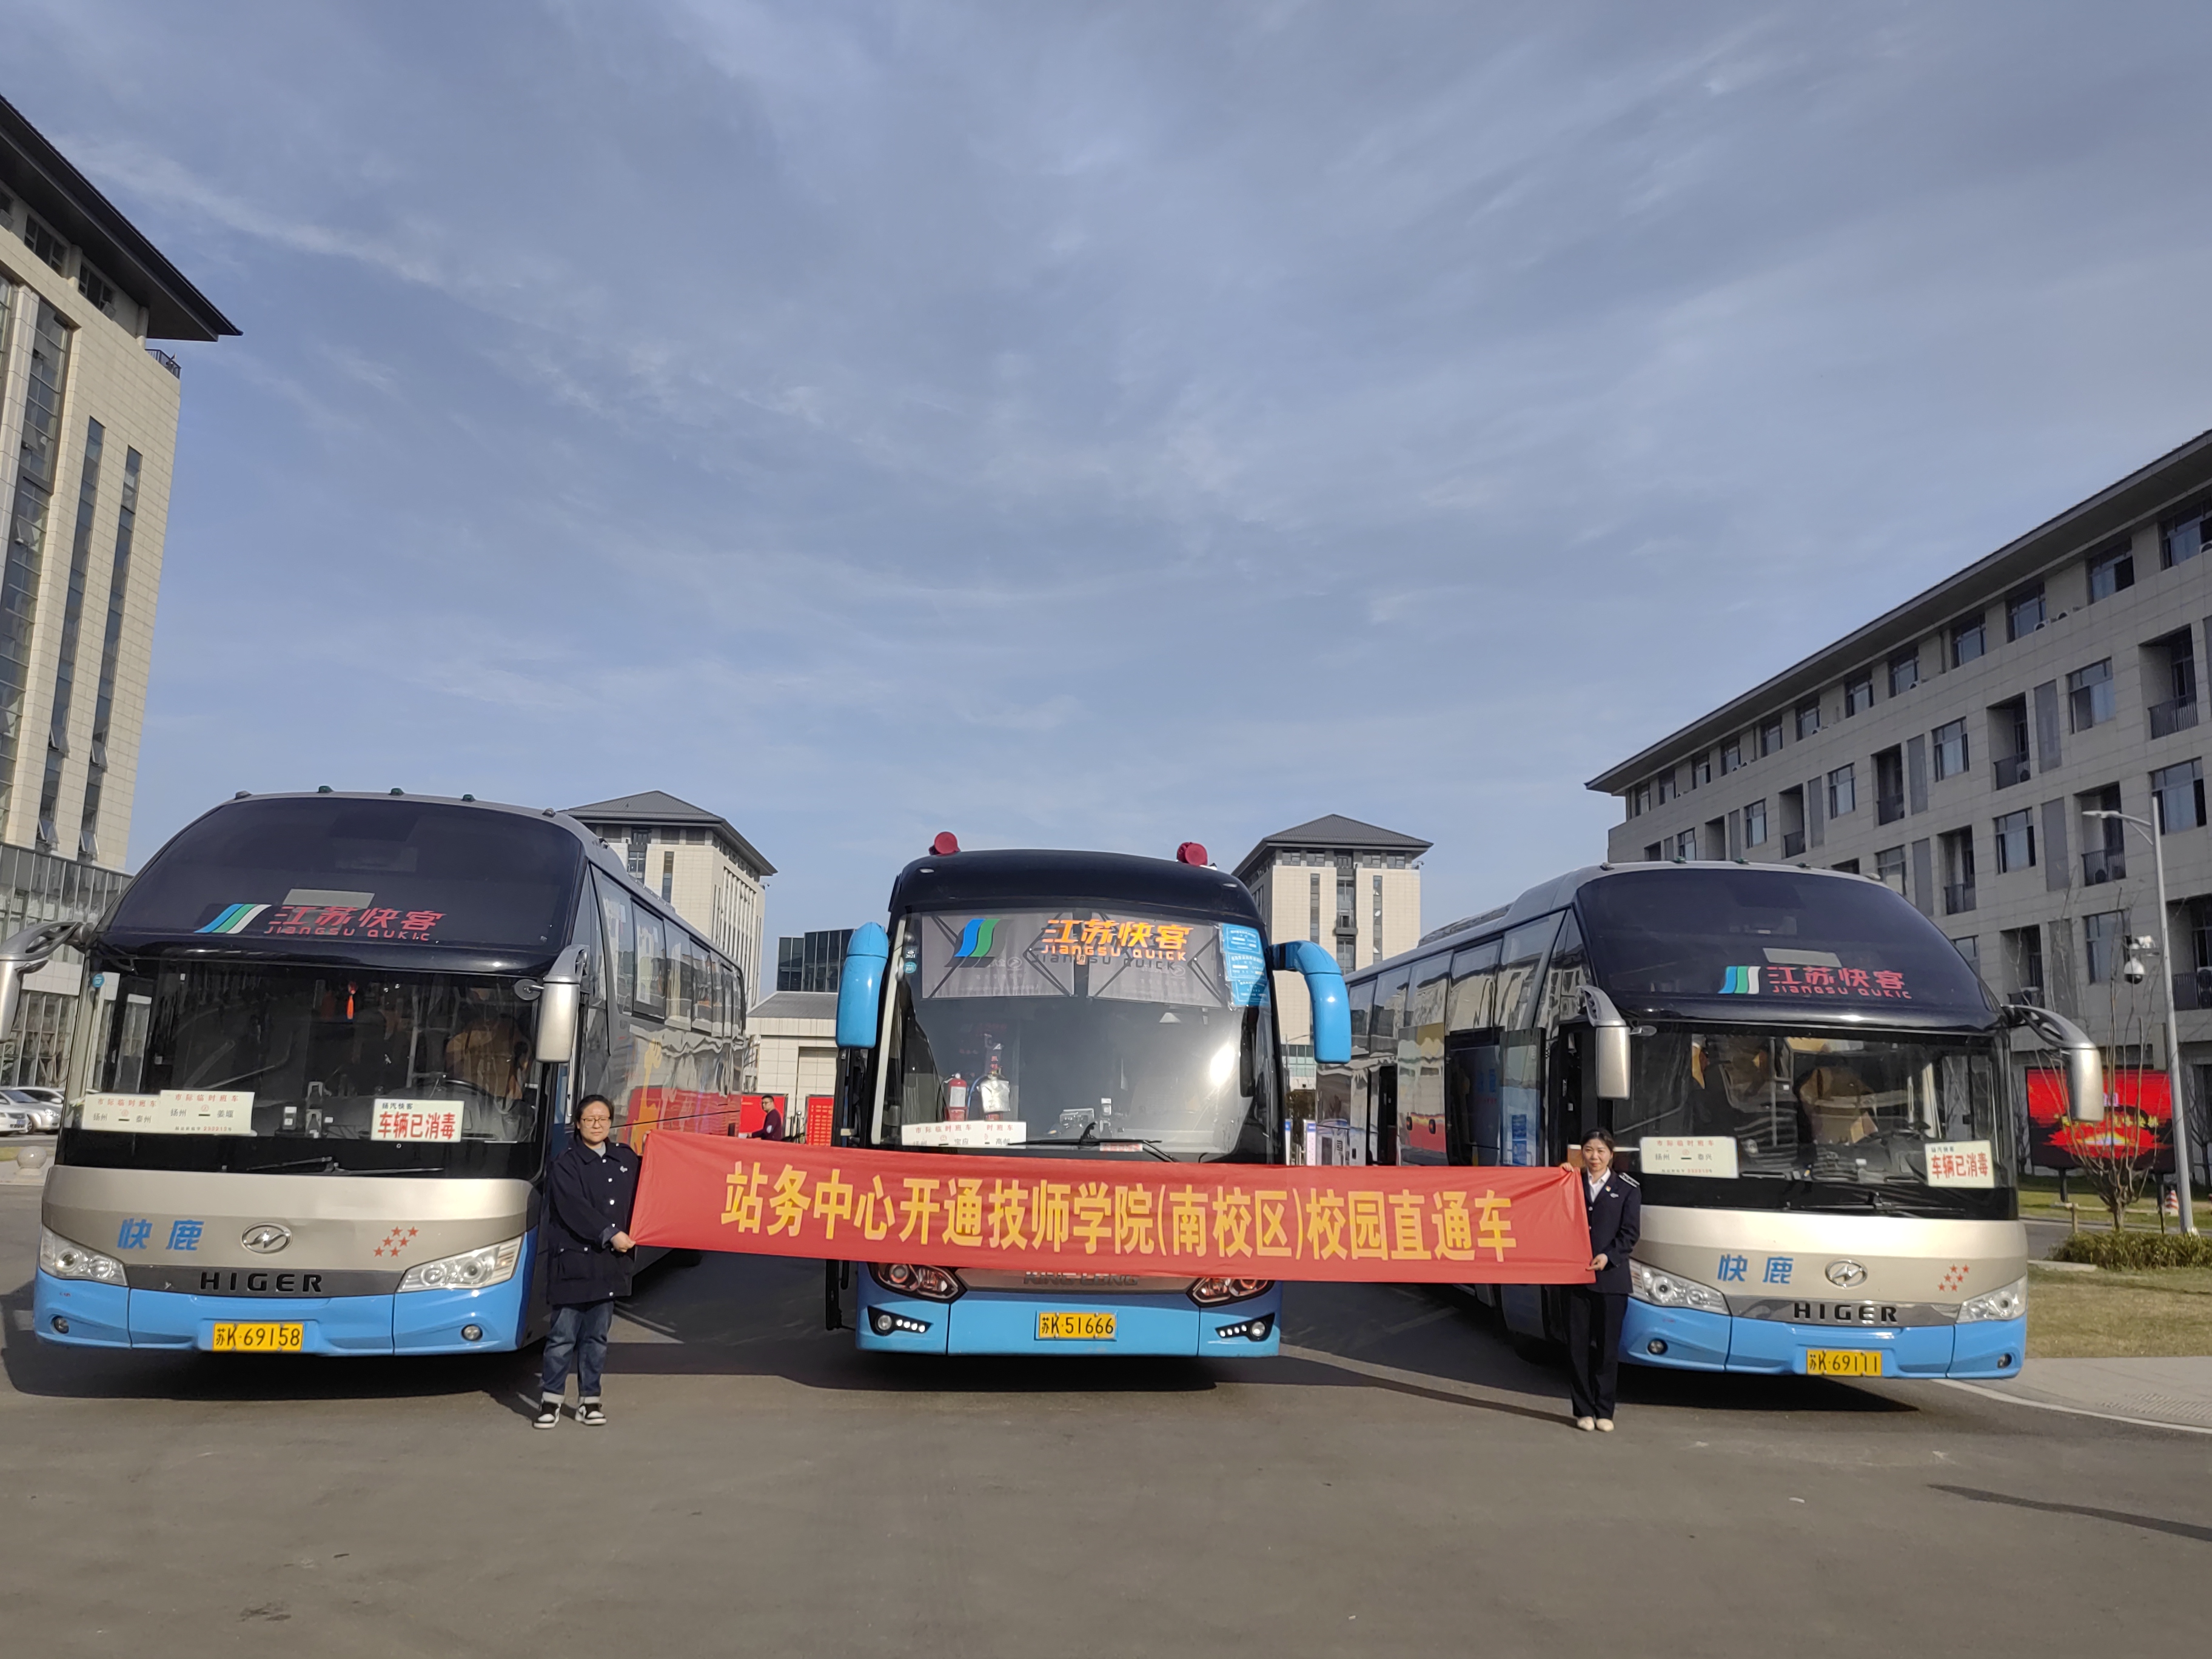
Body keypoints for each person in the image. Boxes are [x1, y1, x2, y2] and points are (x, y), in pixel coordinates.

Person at [535, 1095, 639, 1429]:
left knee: (597, 1339)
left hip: (608, 1266)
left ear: (611, 1122)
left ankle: (589, 1401)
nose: (597, 1125)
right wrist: (611, 1233)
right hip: (573, 1266)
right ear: (578, 1124)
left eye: (603, 1119)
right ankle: (551, 1401)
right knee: (562, 1338)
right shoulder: (565, 1163)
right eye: (590, 1119)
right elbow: (574, 1208)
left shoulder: (625, 1159)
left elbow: (650, 1190)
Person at [1566, 1129, 1640, 1432]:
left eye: (1600, 1151)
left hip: (1611, 1279)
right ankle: (1583, 1410)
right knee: (1578, 1347)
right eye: (1588, 1150)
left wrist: (1609, 1256)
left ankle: (1604, 1410)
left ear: (1611, 1154)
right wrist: (1559, 1174)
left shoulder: (1627, 1188)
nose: (1594, 1157)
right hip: (1575, 1278)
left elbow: (1630, 1233)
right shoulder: (1570, 1182)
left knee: (1608, 1349)